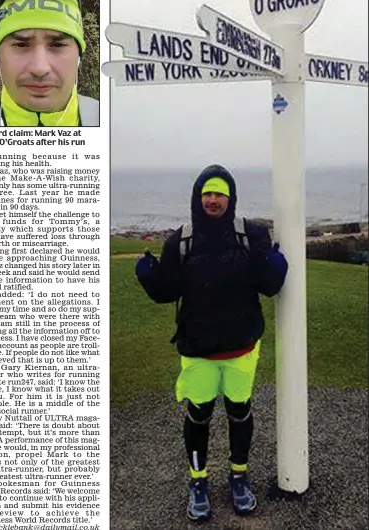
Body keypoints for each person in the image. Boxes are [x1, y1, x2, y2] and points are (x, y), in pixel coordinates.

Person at [135, 164, 288, 521]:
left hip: (241, 348)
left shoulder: (251, 235)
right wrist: (149, 277)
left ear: (230, 198)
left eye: (219, 193)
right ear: (197, 197)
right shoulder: (180, 241)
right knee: (199, 415)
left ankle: (239, 477)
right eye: (207, 194)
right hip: (198, 349)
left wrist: (276, 267)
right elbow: (168, 291)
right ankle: (198, 482)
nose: (213, 200)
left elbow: (268, 285)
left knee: (239, 412)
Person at [0, 0, 99, 127]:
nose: (40, 68)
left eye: (58, 45)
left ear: (79, 54)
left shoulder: (117, 128)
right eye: (21, 45)